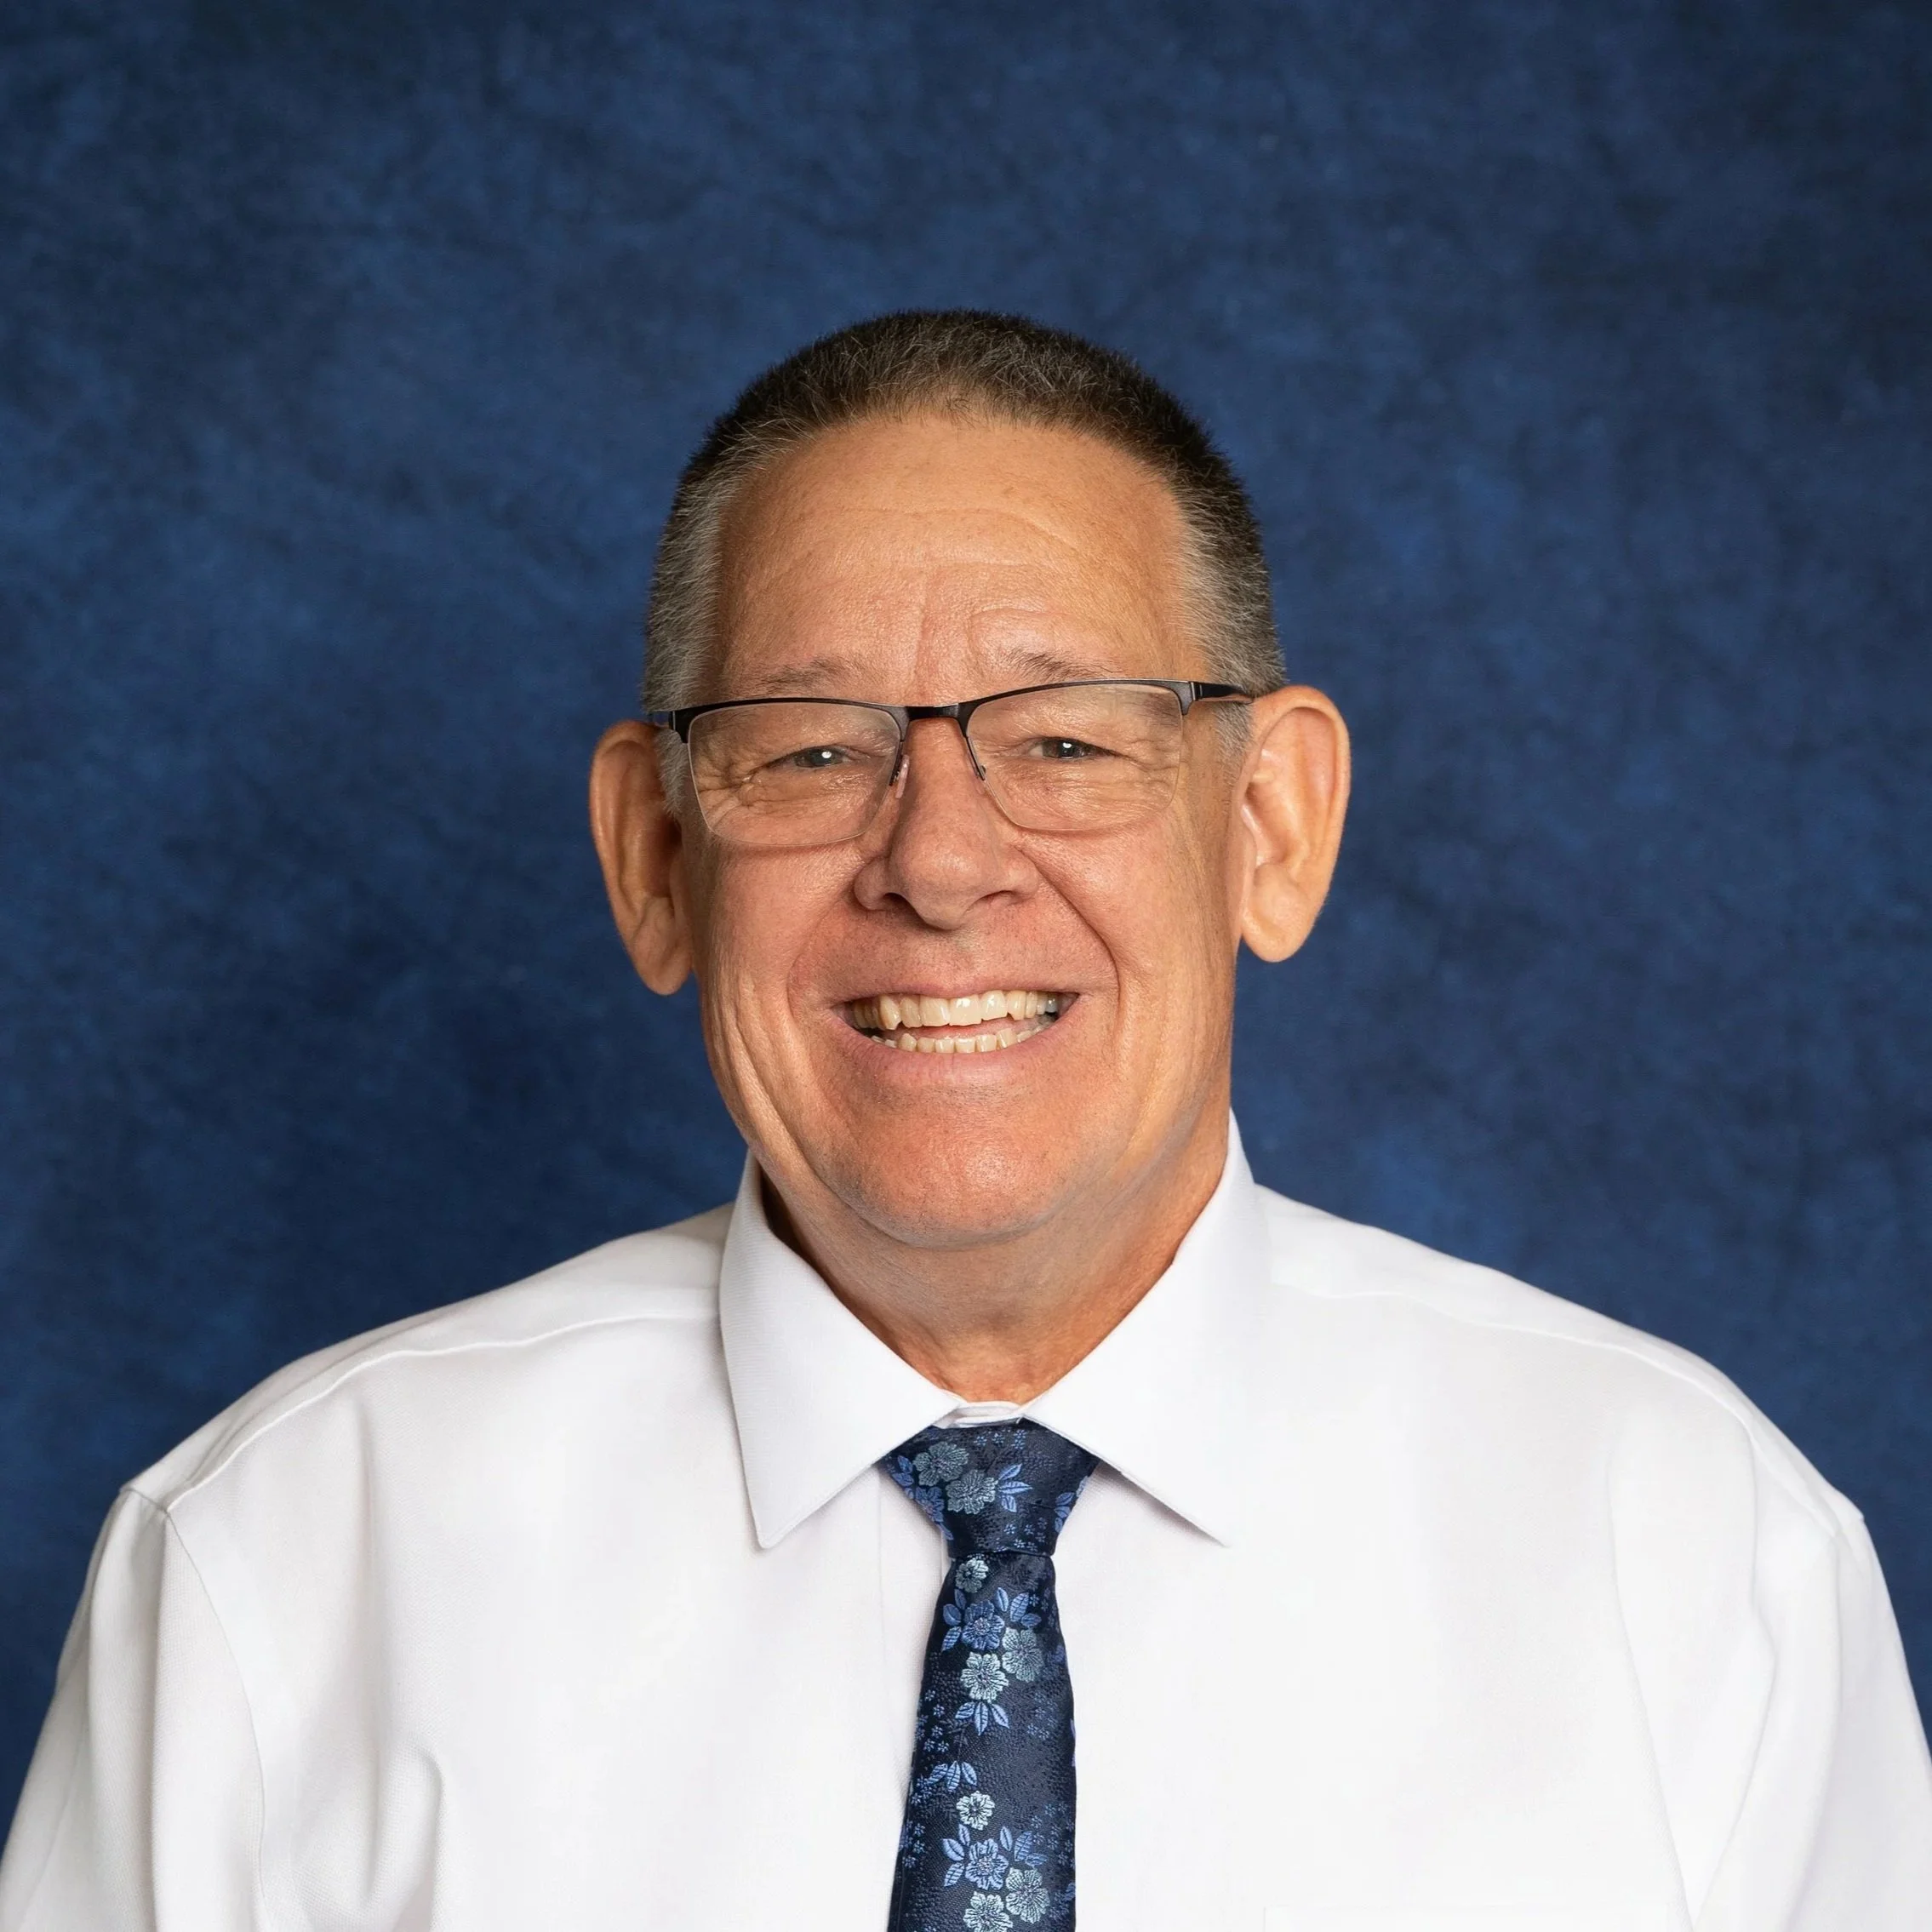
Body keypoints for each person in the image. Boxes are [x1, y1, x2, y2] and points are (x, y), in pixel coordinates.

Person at [3, 311, 1927, 1931]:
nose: (937, 863)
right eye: (813, 746)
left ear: (1268, 824)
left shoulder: (1687, 1552)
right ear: (654, 857)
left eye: (1069, 738)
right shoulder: (276, 1566)